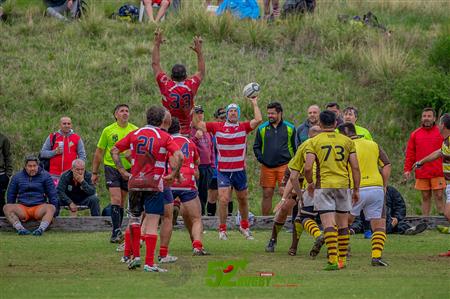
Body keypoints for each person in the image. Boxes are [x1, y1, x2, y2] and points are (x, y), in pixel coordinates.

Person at [111, 105, 184, 272]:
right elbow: (180, 156)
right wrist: (174, 173)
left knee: (134, 220)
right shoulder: (164, 136)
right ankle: (149, 263)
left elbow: (115, 150)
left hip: (135, 183)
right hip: (153, 183)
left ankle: (135, 256)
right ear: (161, 120)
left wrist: (122, 170)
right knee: (151, 223)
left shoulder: (134, 133)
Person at [193, 98, 262, 240]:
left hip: (239, 171)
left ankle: (244, 226)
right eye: (230, 111)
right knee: (223, 199)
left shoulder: (243, 126)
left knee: (242, 199)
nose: (232, 113)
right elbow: (197, 124)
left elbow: (258, 120)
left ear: (238, 114)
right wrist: (193, 109)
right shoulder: (217, 126)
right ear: (227, 114)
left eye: (235, 111)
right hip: (223, 170)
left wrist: (254, 103)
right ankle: (222, 229)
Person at [304, 110, 361, 270]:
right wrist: (356, 188)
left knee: (328, 223)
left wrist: (310, 183)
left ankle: (333, 259)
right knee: (343, 224)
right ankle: (342, 260)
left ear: (320, 124)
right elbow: (355, 167)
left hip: (324, 185)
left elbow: (308, 167)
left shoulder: (314, 141)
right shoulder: (347, 141)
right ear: (336, 123)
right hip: (343, 185)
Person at [338, 122, 391, 266]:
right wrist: (384, 185)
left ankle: (342, 253)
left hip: (355, 189)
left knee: (344, 223)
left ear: (343, 134)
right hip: (376, 188)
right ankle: (376, 257)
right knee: (379, 225)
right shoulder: (373, 144)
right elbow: (386, 165)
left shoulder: (344, 146)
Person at [266, 126, 323, 256]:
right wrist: (286, 198)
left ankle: (294, 247)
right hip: (299, 190)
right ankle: (273, 239)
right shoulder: (302, 152)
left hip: (312, 189)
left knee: (303, 216)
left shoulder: (321, 150)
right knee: (285, 207)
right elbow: (290, 180)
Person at [92, 104, 138, 243]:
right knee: (116, 199)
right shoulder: (108, 130)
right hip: (111, 167)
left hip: (129, 169)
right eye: (122, 111)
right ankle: (115, 232)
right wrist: (94, 172)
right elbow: (99, 151)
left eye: (127, 111)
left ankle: (118, 230)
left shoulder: (134, 130)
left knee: (122, 201)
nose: (125, 113)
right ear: (115, 115)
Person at [152, 28, 205, 135]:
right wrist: (199, 52)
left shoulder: (166, 84)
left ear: (171, 76)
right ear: (186, 76)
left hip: (168, 131)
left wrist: (157, 44)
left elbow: (155, 64)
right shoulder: (191, 85)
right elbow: (201, 71)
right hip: (186, 132)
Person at [168, 117, 209, 255]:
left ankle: (161, 250)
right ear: (179, 128)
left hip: (170, 180)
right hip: (187, 181)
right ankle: (197, 246)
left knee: (164, 218)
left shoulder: (165, 141)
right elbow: (197, 160)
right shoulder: (189, 141)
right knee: (196, 218)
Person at [414, 113, 450, 256]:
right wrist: (421, 162)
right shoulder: (446, 141)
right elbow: (438, 153)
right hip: (449, 183)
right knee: (448, 214)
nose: (439, 126)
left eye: (440, 123)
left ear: (444, 125)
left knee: (448, 213)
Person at [253, 102, 296, 215]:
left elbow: (296, 148)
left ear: (280, 113)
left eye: (272, 113)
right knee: (267, 193)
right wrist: (261, 158)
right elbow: (256, 146)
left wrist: (293, 164)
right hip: (267, 167)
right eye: (268, 113)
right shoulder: (262, 128)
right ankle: (265, 220)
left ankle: (288, 221)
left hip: (285, 166)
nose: (270, 116)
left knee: (286, 193)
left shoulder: (290, 128)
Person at [404, 108, 445, 216]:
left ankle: (444, 221)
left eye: (429, 116)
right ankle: (425, 222)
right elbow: (410, 153)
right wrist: (407, 169)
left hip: (439, 171)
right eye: (424, 116)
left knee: (439, 196)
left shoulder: (441, 132)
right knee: (425, 197)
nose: (426, 118)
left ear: (434, 118)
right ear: (422, 118)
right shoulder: (415, 134)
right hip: (422, 172)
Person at [3, 155, 58, 236]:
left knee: (51, 207)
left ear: (38, 166)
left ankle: (40, 229)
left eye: (34, 166)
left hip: (39, 207)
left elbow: (52, 195)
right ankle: (20, 229)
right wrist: (12, 208)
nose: (32, 168)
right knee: (6, 207)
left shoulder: (46, 176)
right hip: (22, 208)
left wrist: (54, 214)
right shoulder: (17, 177)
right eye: (29, 166)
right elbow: (11, 194)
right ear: (25, 167)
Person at [350, 186, 428, 235]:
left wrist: (397, 218)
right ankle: (352, 230)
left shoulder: (391, 191)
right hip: (368, 222)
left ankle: (410, 230)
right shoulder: (365, 192)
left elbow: (400, 206)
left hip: (390, 220)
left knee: (400, 224)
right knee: (358, 223)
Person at [40, 116, 86, 185]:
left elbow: (82, 156)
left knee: (69, 195)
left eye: (68, 124)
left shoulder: (77, 138)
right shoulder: (53, 136)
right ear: (60, 125)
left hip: (70, 175)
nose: (67, 126)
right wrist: (55, 152)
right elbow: (43, 153)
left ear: (71, 125)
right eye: (64, 124)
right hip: (53, 175)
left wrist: (77, 170)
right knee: (54, 195)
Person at [206, 107, 234, 217]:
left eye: (225, 118)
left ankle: (230, 218)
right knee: (212, 195)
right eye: (221, 118)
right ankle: (210, 219)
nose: (223, 120)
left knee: (228, 194)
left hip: (228, 167)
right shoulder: (211, 132)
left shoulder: (231, 130)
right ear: (215, 119)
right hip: (214, 168)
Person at [191, 105, 215, 216]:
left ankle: (202, 215)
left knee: (204, 193)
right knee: (195, 193)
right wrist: (195, 138)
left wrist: (212, 165)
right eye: (197, 113)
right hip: (196, 167)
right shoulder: (189, 130)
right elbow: (187, 147)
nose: (199, 115)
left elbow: (212, 148)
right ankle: (194, 215)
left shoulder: (207, 130)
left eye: (201, 112)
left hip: (207, 167)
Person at [0, 132, 12, 217]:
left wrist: (8, 174)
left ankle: (2, 222)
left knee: (0, 199)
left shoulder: (3, 138)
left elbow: (8, 156)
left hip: (1, 174)